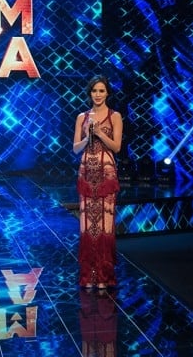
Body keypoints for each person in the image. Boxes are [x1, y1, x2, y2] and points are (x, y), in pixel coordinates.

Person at [73, 76, 123, 289]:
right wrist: (87, 137)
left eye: (102, 90)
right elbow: (75, 148)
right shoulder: (81, 117)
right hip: (87, 173)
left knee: (104, 226)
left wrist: (100, 133)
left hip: (106, 174)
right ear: (90, 93)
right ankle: (89, 275)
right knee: (87, 226)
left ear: (107, 93)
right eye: (94, 90)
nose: (98, 94)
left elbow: (117, 147)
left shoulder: (115, 116)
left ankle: (104, 276)